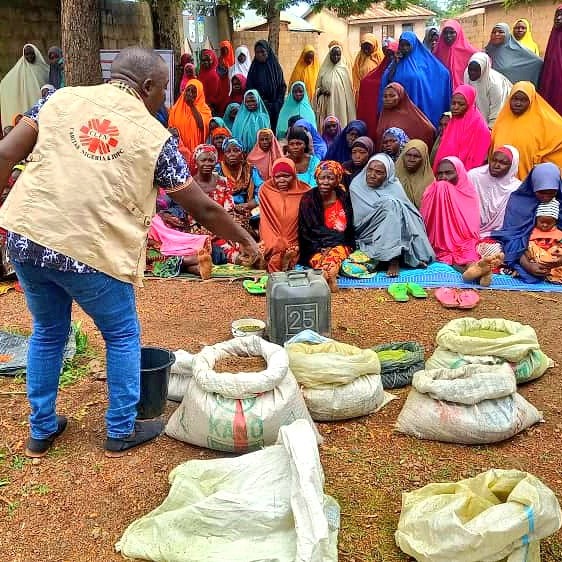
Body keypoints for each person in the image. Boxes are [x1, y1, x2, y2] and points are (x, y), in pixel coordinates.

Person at [0, 47, 258, 458]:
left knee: (48, 332)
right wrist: (245, 240)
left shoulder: (59, 99)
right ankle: (120, 429)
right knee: (121, 335)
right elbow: (202, 206)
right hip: (90, 248)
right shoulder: (154, 136)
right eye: (162, 93)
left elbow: (5, 154)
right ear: (149, 86)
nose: (163, 101)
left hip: (28, 236)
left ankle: (41, 429)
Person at [350, 153, 435, 277]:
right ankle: (394, 258)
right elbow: (362, 218)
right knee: (391, 205)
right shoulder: (357, 185)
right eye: (370, 170)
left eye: (379, 172)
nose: (372, 175)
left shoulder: (394, 186)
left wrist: (396, 208)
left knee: (395, 207)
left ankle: (394, 256)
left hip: (394, 227)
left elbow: (410, 212)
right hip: (366, 230)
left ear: (387, 175)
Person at [493, 163, 562, 283]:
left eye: (551, 192)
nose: (546, 197)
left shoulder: (560, 202)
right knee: (495, 250)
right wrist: (527, 265)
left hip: (555, 250)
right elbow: (512, 236)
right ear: (533, 186)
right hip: (526, 252)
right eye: (541, 192)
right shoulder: (518, 202)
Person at [298, 161, 355, 292]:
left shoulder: (344, 197)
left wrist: (333, 244)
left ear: (337, 180)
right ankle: (329, 277)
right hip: (314, 245)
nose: (325, 182)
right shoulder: (308, 199)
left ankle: (325, 276)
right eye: (321, 177)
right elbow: (307, 230)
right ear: (316, 178)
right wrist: (320, 246)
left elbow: (349, 228)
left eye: (330, 178)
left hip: (341, 243)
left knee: (335, 255)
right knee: (318, 258)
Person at [491, 81, 562, 179]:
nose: (518, 103)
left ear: (531, 100)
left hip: (529, 182)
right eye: (515, 99)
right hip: (499, 179)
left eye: (523, 100)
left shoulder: (545, 122)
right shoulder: (502, 120)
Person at [381, 31, 451, 128]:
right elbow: (387, 80)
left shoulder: (423, 61)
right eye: (402, 45)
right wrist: (395, 63)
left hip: (419, 105)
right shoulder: (397, 62)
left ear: (414, 45)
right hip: (400, 109)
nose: (404, 48)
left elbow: (442, 73)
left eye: (407, 45)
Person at [421, 157, 481, 266]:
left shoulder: (469, 193)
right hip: (435, 244)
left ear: (459, 173)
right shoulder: (432, 190)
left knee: (469, 254)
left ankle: (476, 271)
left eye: (448, 173)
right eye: (439, 173)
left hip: (463, 242)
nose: (443, 177)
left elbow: (471, 230)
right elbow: (425, 223)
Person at [259, 158, 310, 272]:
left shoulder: (305, 191)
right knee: (274, 246)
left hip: (295, 237)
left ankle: (285, 258)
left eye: (286, 176)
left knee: (294, 249)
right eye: (277, 177)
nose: (281, 180)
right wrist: (275, 240)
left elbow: (306, 221)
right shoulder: (266, 189)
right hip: (271, 234)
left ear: (294, 175)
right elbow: (266, 221)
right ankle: (281, 258)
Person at [433, 84, 491, 172]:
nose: (455, 107)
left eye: (461, 104)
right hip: (447, 172)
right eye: (453, 103)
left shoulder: (480, 127)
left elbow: (479, 159)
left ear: (469, 103)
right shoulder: (453, 122)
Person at [468, 145, 520, 237]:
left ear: (512, 166)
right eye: (494, 160)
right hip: (468, 228)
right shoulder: (474, 176)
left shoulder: (516, 188)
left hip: (497, 235)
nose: (496, 165)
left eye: (503, 163)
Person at [357, 38, 399, 139]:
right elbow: (369, 81)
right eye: (388, 55)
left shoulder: (405, 71)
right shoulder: (384, 68)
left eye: (393, 54)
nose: (390, 57)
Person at [375, 82, 435, 152]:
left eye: (392, 96)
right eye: (385, 96)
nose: (388, 99)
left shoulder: (410, 114)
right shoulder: (384, 115)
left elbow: (429, 130)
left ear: (400, 96)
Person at [0, 44, 49, 129]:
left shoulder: (44, 69)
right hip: (27, 105)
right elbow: (5, 84)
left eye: (31, 53)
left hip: (42, 106)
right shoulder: (20, 69)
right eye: (26, 54)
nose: (29, 56)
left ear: (36, 53)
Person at [245, 40, 286, 132]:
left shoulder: (276, 68)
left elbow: (282, 86)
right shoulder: (253, 69)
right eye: (257, 52)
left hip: (275, 107)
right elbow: (249, 89)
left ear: (268, 52)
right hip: (259, 108)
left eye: (262, 52)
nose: (260, 55)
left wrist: (278, 102)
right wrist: (259, 102)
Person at [314, 44, 356, 132]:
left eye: (338, 54)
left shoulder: (344, 70)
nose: (336, 57)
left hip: (341, 105)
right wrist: (321, 91)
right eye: (333, 54)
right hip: (326, 104)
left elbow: (349, 94)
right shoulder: (323, 70)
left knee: (341, 124)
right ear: (330, 55)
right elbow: (317, 89)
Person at [463, 52, 512, 128]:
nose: (472, 73)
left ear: (483, 70)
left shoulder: (494, 84)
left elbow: (496, 111)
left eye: (476, 70)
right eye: (470, 69)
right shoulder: (467, 74)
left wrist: (489, 129)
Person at [169, 78, 213, 152]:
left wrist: (191, 106)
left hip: (196, 151)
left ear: (199, 94)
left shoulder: (205, 109)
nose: (190, 93)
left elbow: (202, 125)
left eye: (193, 92)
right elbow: (170, 128)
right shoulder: (175, 108)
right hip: (178, 150)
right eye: (188, 90)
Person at [525, 199, 562, 283]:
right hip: (536, 258)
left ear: (555, 222)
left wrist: (557, 250)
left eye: (549, 223)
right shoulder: (531, 231)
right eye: (542, 222)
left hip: (552, 260)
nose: (545, 225)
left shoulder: (558, 233)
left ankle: (552, 276)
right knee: (529, 245)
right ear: (536, 219)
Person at [434, 19, 478, 89]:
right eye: (445, 33)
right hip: (443, 91)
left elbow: (485, 62)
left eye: (452, 32)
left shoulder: (469, 52)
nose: (448, 35)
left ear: (458, 33)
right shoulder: (437, 52)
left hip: (462, 94)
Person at [216, 138, 256, 212]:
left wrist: (248, 204)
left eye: (236, 150)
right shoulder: (217, 170)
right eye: (228, 151)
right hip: (222, 210)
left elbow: (261, 191)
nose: (232, 154)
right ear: (224, 154)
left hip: (246, 208)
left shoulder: (250, 169)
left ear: (242, 153)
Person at [395, 139, 435, 209]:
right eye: (408, 155)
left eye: (416, 156)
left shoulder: (431, 183)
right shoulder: (393, 178)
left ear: (424, 159)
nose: (411, 159)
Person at [539, 7, 562, 117]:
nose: (558, 18)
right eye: (557, 15)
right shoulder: (554, 35)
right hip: (550, 82)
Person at [198, 49, 228, 114]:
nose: (205, 62)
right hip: (200, 105)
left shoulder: (214, 75)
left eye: (208, 60)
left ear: (213, 60)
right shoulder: (201, 73)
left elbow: (215, 95)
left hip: (212, 108)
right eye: (203, 60)